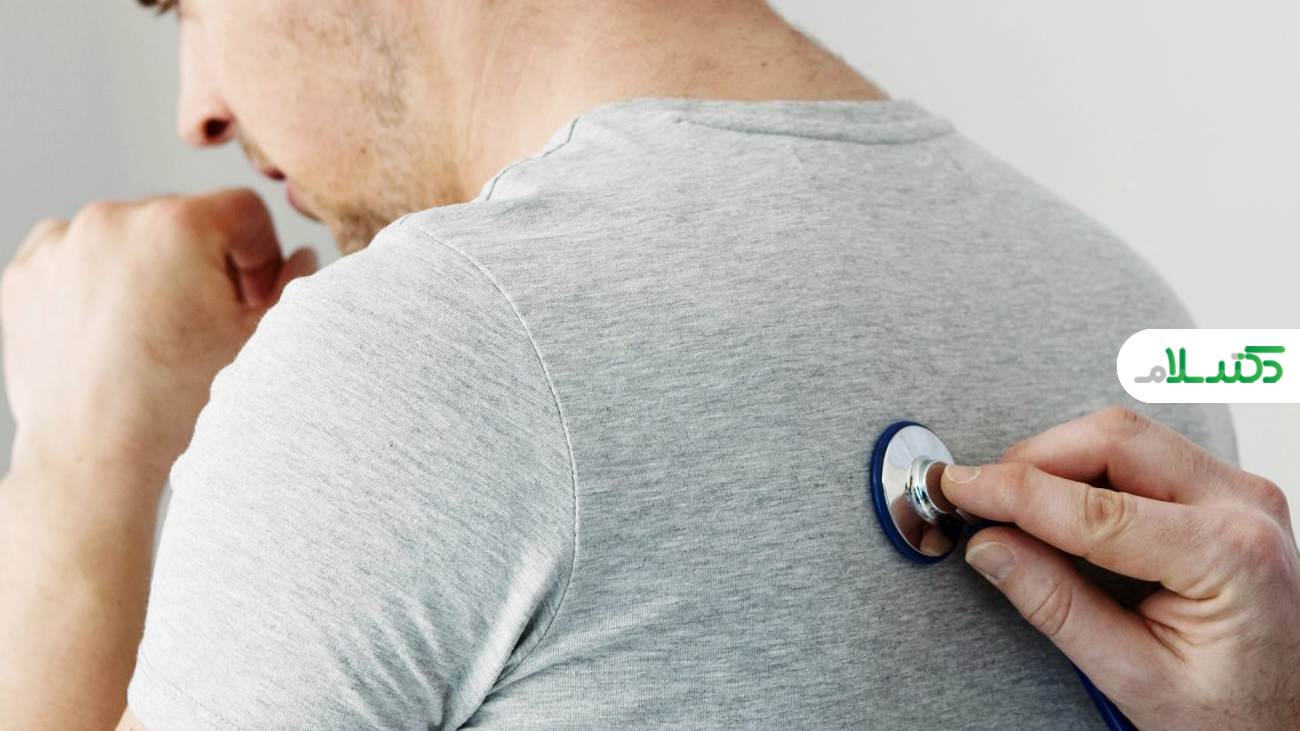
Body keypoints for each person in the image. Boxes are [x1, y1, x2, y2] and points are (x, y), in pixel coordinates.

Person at [0, 0, 1296, 729]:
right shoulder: (1126, 310)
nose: (197, 106)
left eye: (185, 3)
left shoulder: (415, 351)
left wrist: (76, 459)